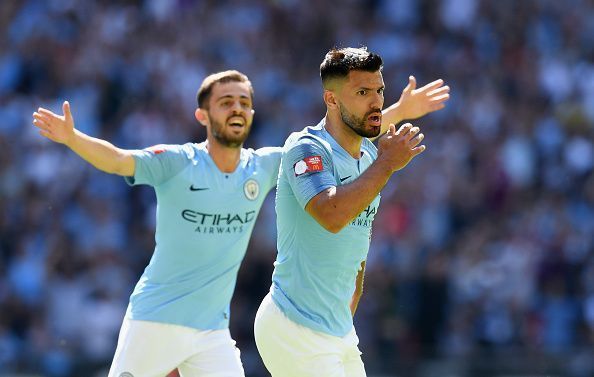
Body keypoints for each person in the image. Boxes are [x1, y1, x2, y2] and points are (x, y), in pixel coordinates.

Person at [32, 67, 448, 376]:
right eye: (225, 102)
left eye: (244, 102)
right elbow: (120, 159)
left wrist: (393, 111)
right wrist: (73, 138)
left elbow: (340, 138)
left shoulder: (265, 165)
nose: (238, 109)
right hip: (154, 317)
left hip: (212, 328)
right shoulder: (178, 162)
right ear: (202, 116)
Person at [254, 47, 436, 377]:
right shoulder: (306, 148)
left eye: (379, 90)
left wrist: (402, 110)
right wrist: (387, 164)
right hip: (294, 325)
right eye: (363, 92)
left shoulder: (366, 156)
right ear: (332, 100)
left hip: (338, 330)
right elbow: (332, 214)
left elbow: (357, 237)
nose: (376, 101)